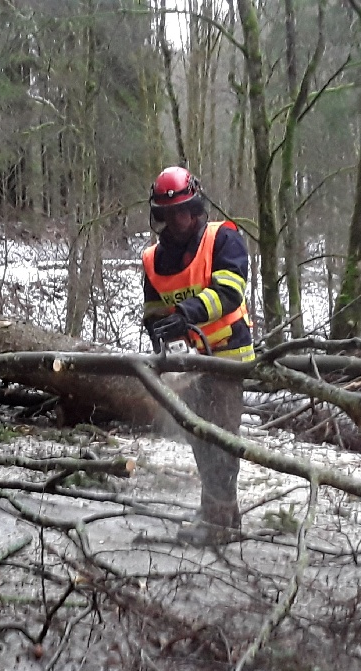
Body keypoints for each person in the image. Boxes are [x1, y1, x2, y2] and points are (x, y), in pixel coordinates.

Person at [141, 166, 254, 545]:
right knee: (199, 439)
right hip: (186, 361)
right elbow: (155, 312)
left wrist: (184, 315)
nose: (178, 220)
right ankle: (218, 511)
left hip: (226, 355)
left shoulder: (224, 239)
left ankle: (220, 522)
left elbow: (228, 293)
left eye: (184, 211)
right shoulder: (153, 260)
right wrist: (161, 339)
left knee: (220, 439)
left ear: (196, 206)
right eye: (169, 214)